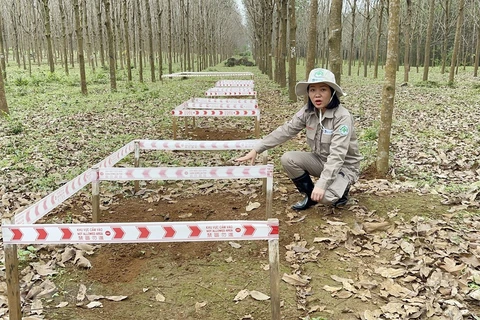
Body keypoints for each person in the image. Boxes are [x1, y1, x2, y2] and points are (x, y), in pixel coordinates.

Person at [236, 68, 362, 210]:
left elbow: (337, 155)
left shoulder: (342, 117)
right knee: (288, 158)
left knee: (326, 198)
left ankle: (342, 190)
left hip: (343, 166)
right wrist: (257, 149)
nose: (317, 95)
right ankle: (310, 196)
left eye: (323, 90)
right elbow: (286, 130)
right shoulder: (308, 111)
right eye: (312, 90)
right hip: (321, 160)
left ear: (332, 92)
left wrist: (321, 185)